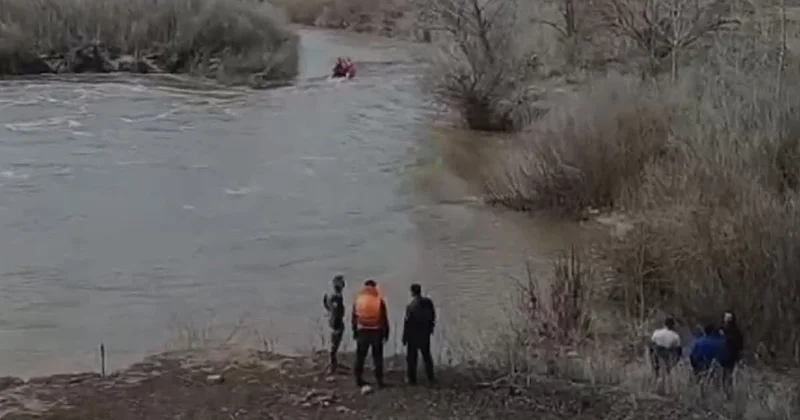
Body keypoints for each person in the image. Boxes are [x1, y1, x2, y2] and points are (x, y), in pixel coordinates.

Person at [351, 279, 389, 387]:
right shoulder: (379, 300)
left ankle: (358, 379)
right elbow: (384, 318)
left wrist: (354, 331)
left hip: (362, 331)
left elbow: (354, 317)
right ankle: (379, 381)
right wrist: (386, 333)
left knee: (360, 357)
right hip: (376, 331)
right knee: (377, 357)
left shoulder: (358, 300)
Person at [402, 283, 436, 386]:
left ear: (412, 292)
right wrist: (431, 328)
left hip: (413, 335)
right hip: (425, 334)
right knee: (427, 356)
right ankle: (431, 377)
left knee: (412, 358)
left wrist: (404, 337)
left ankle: (412, 379)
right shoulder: (428, 302)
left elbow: (407, 323)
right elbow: (433, 316)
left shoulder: (411, 306)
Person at [322, 274, 346, 373]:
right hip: (336, 323)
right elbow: (335, 310)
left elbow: (328, 306)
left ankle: (334, 363)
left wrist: (327, 305)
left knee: (335, 344)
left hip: (335, 322)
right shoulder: (337, 297)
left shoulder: (335, 296)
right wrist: (336, 324)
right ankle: (332, 366)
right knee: (334, 345)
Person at [720, 310, 744, 396]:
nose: (726, 320)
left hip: (729, 356)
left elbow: (739, 344)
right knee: (727, 376)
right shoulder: (725, 330)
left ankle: (728, 393)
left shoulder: (733, 332)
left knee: (727, 376)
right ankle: (727, 393)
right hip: (728, 357)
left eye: (727, 318)